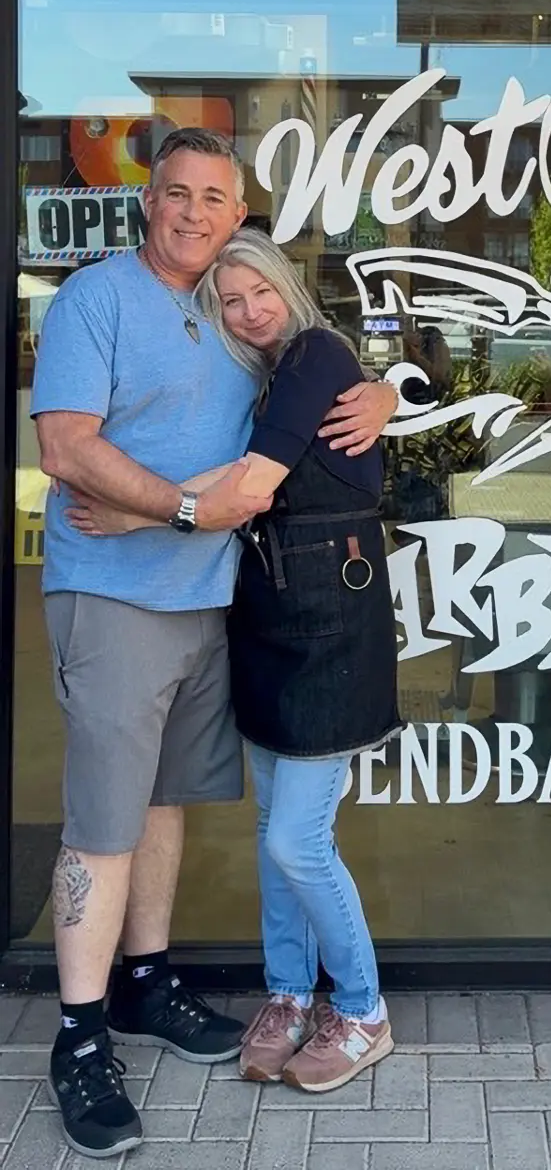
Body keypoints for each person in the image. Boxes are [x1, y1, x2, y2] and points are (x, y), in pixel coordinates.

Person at [30, 127, 397, 1160]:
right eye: (177, 193)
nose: (194, 213)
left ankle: (145, 984)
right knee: (101, 821)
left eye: (215, 199)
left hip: (219, 605)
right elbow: (62, 446)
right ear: (148, 201)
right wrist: (185, 514)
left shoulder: (232, 316)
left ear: (240, 219)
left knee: (163, 806)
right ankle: (78, 1034)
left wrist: (382, 391)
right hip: (114, 597)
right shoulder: (96, 300)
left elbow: (317, 375)